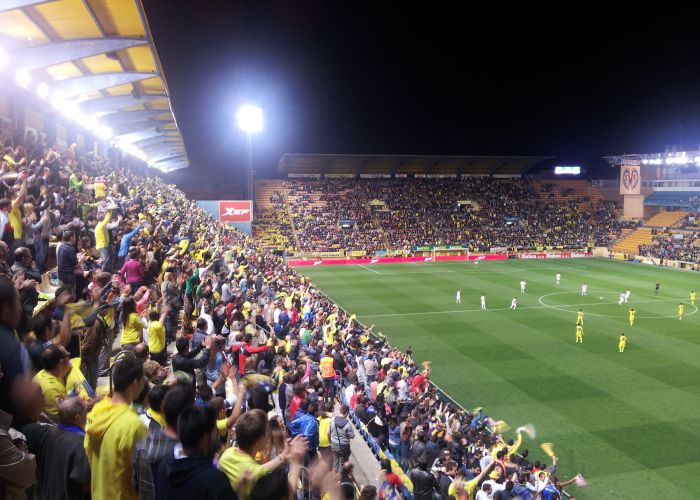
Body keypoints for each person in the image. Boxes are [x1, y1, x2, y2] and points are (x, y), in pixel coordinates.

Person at [84, 355, 148, 500]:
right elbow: (142, 476)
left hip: (98, 493)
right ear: (135, 383)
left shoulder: (97, 411)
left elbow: (88, 454)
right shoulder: (134, 424)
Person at [217, 408, 306, 498]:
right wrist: (296, 462)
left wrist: (283, 457)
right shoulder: (259, 477)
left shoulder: (227, 454)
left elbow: (258, 469)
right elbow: (287, 495)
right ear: (260, 440)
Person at [154, 405, 234, 500]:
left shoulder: (164, 464)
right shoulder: (216, 481)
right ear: (205, 437)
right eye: (214, 430)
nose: (216, 434)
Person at [33, 397, 91, 500]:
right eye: (85, 414)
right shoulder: (80, 442)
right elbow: (84, 480)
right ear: (77, 418)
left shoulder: (49, 433)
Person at [330, 404, 355, 473]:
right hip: (343, 447)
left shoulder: (332, 419)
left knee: (335, 462)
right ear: (346, 413)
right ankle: (339, 480)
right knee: (342, 465)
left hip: (333, 444)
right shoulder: (347, 424)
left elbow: (329, 432)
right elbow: (352, 436)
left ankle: (333, 477)